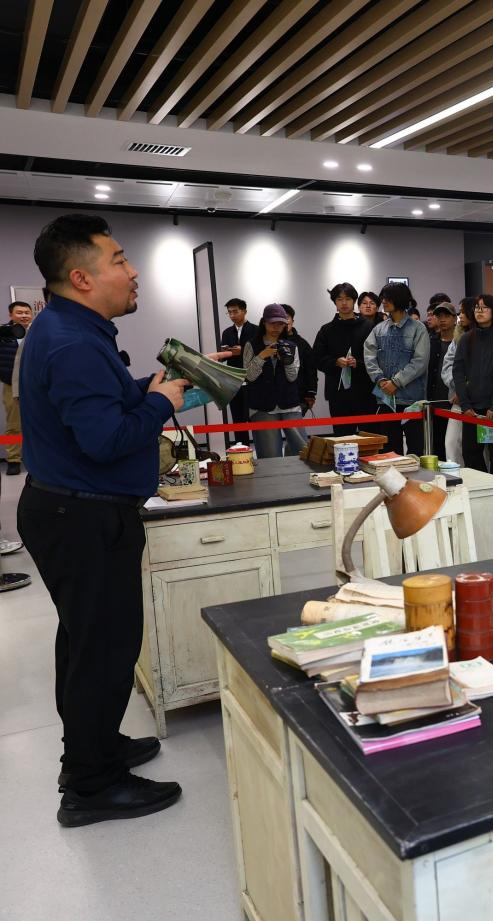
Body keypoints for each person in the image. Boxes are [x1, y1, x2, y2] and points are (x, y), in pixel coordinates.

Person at [17, 213, 188, 826]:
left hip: (70, 510)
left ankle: (96, 748)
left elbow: (100, 404)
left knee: (87, 642)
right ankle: (90, 786)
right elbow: (106, 439)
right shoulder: (72, 343)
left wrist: (159, 387)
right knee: (104, 650)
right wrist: (159, 404)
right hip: (83, 517)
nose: (133, 271)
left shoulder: (69, 330)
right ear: (83, 277)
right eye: (119, 260)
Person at [449, 294, 493, 477]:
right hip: (471, 410)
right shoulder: (466, 338)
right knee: (470, 454)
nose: (480, 311)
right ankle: (481, 488)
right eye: (477, 307)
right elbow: (458, 372)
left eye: (485, 307)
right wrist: (465, 405)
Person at [363, 281, 429, 454]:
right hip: (386, 399)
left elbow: (420, 362)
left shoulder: (418, 329)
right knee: (389, 452)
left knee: (415, 451)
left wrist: (396, 382)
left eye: (388, 298)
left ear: (399, 300)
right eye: (383, 298)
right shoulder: (379, 329)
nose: (383, 302)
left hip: (412, 401)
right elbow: (369, 356)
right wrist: (380, 379)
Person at [243, 304, 308, 459]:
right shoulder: (252, 344)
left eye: (280, 324)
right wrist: (262, 356)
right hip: (262, 406)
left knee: (302, 452)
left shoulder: (291, 346)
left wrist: (287, 361)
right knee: (270, 456)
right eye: (272, 323)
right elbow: (249, 376)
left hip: (289, 404)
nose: (276, 327)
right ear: (264, 322)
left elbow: (292, 377)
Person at [313, 282, 372, 436]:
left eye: (348, 299)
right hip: (338, 394)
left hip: (365, 391)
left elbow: (377, 357)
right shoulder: (326, 330)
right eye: (339, 299)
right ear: (335, 302)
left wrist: (358, 363)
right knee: (343, 438)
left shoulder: (368, 327)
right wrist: (335, 362)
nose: (344, 303)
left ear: (354, 301)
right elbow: (317, 358)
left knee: (369, 437)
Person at [1, 300, 34, 475]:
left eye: (27, 312)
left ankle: (36, 458)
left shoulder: (38, 332)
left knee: (39, 422)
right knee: (13, 425)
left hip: (36, 386)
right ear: (11, 315)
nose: (24, 316)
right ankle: (13, 459)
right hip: (11, 385)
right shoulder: (3, 333)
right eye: (19, 312)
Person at [219, 297, 256, 445]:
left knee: (255, 418)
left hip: (253, 380)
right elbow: (222, 356)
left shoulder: (256, 330)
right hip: (233, 380)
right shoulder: (227, 332)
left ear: (244, 311)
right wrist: (226, 352)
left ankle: (262, 451)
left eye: (235, 311)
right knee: (237, 419)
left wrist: (243, 351)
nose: (232, 315)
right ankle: (242, 450)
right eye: (229, 312)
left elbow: (261, 354)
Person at [426, 302, 456, 458]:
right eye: (439, 316)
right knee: (436, 446)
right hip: (434, 402)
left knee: (454, 446)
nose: (442, 319)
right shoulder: (430, 342)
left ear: (455, 318)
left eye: (447, 316)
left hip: (455, 402)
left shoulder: (461, 341)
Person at [280, 305, 316, 415]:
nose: (284, 321)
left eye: (287, 318)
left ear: (292, 321)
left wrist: (311, 393)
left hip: (298, 396)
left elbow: (311, 370)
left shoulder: (302, 344)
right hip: (273, 397)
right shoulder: (269, 343)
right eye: (280, 318)